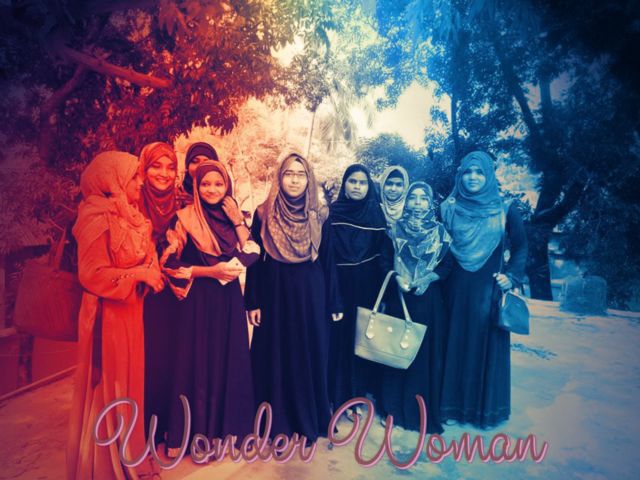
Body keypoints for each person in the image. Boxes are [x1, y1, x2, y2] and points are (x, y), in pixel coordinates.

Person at [67, 151, 164, 479]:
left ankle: (130, 454)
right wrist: (139, 275)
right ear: (113, 181)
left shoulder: (131, 215)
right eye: (134, 176)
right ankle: (105, 467)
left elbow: (146, 254)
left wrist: (150, 268)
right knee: (111, 387)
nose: (141, 182)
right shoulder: (95, 217)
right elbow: (91, 274)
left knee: (131, 385)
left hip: (131, 312)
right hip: (105, 317)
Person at [161, 161, 259, 456]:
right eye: (205, 184)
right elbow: (168, 262)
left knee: (228, 363)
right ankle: (193, 436)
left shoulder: (233, 217)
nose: (212, 190)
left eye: (219, 184)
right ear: (196, 186)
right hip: (198, 303)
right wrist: (211, 272)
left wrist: (238, 223)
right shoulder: (184, 218)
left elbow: (253, 248)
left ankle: (223, 435)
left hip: (229, 301)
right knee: (197, 363)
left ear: (227, 185)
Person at [245, 151, 343, 443]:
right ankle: (275, 420)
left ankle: (306, 418)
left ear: (309, 179)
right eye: (289, 173)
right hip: (274, 294)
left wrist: (334, 301)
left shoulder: (319, 215)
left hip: (310, 296)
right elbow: (254, 259)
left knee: (307, 353)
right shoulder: (263, 213)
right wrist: (253, 301)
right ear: (279, 177)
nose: (295, 180)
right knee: (275, 353)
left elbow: (329, 260)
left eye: (301, 174)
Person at [439, 151, 528, 429]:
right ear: (460, 175)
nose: (473, 177)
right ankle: (450, 407)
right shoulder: (449, 208)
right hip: (452, 290)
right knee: (453, 344)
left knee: (484, 348)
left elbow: (521, 246)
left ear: (489, 175)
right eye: (467, 171)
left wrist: (512, 276)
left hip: (489, 291)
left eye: (479, 172)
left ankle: (485, 412)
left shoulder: (505, 208)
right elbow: (437, 246)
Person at [377, 182, 452, 434]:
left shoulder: (440, 232)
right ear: (406, 202)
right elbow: (384, 262)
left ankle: (419, 412)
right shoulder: (394, 230)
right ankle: (392, 409)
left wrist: (429, 278)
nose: (417, 203)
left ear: (430, 202)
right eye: (413, 198)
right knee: (396, 353)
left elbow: (448, 266)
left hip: (428, 302)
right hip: (400, 300)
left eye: (423, 198)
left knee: (423, 357)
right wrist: (397, 278)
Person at [327, 164, 391, 411]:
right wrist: (331, 293)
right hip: (338, 286)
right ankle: (336, 396)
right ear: (344, 184)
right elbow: (326, 256)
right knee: (337, 343)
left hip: (367, 288)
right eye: (352, 181)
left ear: (369, 186)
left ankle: (356, 398)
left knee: (361, 344)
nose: (357, 186)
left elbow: (383, 256)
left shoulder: (376, 215)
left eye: (362, 182)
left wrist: (383, 296)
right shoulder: (332, 213)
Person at [137, 142, 180, 446]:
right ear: (144, 168)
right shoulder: (132, 201)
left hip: (176, 296)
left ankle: (170, 425)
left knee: (173, 359)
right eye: (156, 166)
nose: (164, 173)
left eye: (170, 167)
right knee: (147, 360)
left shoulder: (184, 203)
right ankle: (143, 429)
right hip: (141, 294)